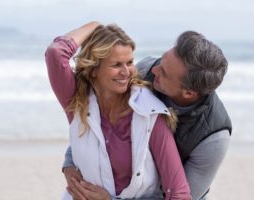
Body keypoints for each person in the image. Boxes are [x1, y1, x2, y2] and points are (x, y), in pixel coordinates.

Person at [63, 26, 232, 200]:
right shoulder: (147, 69)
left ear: (188, 93)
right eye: (161, 61)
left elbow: (180, 197)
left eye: (164, 73)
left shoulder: (213, 139)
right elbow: (101, 119)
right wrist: (70, 161)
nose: (154, 71)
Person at [45, 21, 191, 200]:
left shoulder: (150, 114)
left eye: (129, 62)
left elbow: (179, 194)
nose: (126, 72)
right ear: (93, 70)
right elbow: (55, 53)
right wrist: (95, 26)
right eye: (116, 65)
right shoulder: (77, 100)